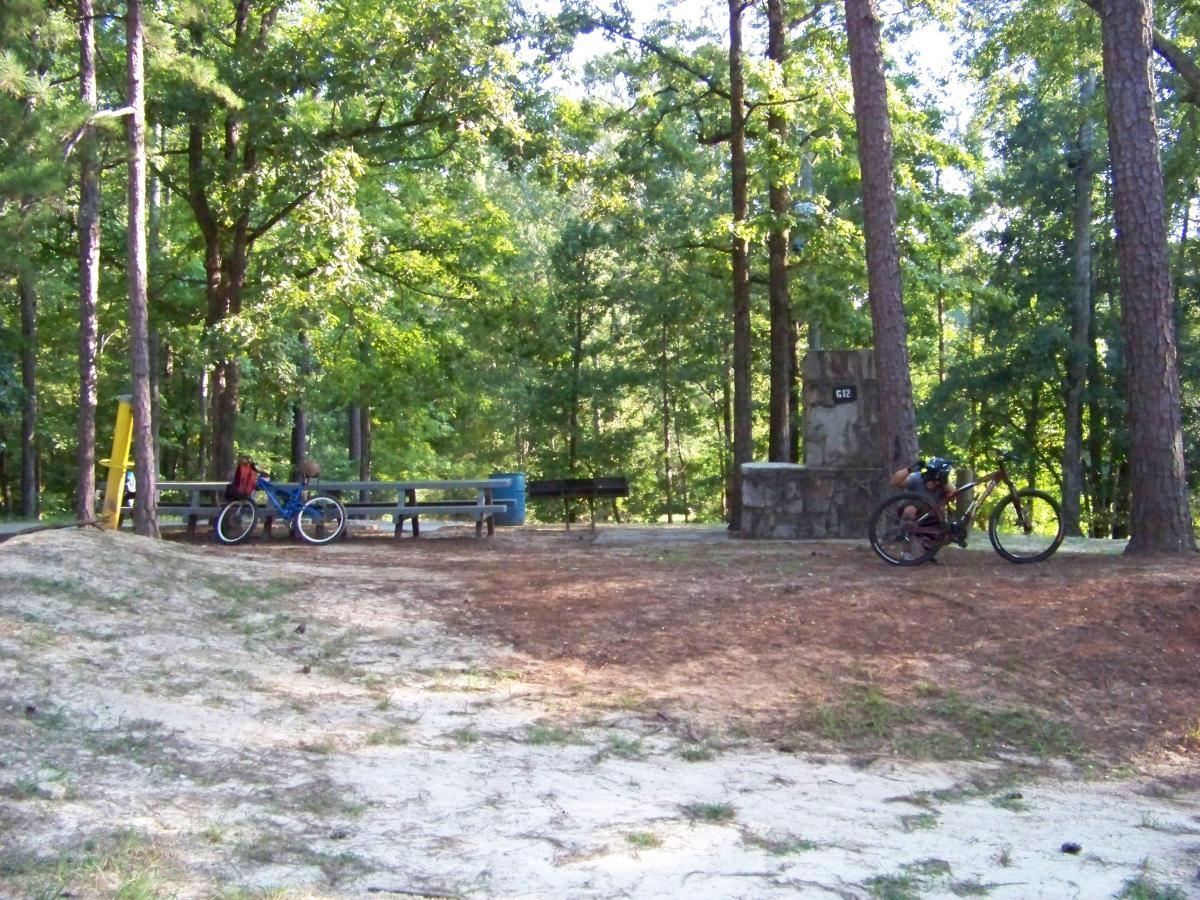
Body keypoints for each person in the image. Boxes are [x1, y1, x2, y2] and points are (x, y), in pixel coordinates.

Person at [890, 457, 959, 560]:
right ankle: (906, 552)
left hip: (931, 517)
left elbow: (954, 497)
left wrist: (944, 483)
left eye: (936, 481)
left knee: (947, 534)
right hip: (913, 511)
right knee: (910, 511)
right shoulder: (917, 478)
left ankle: (929, 550)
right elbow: (894, 482)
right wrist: (910, 469)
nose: (934, 483)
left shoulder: (943, 484)